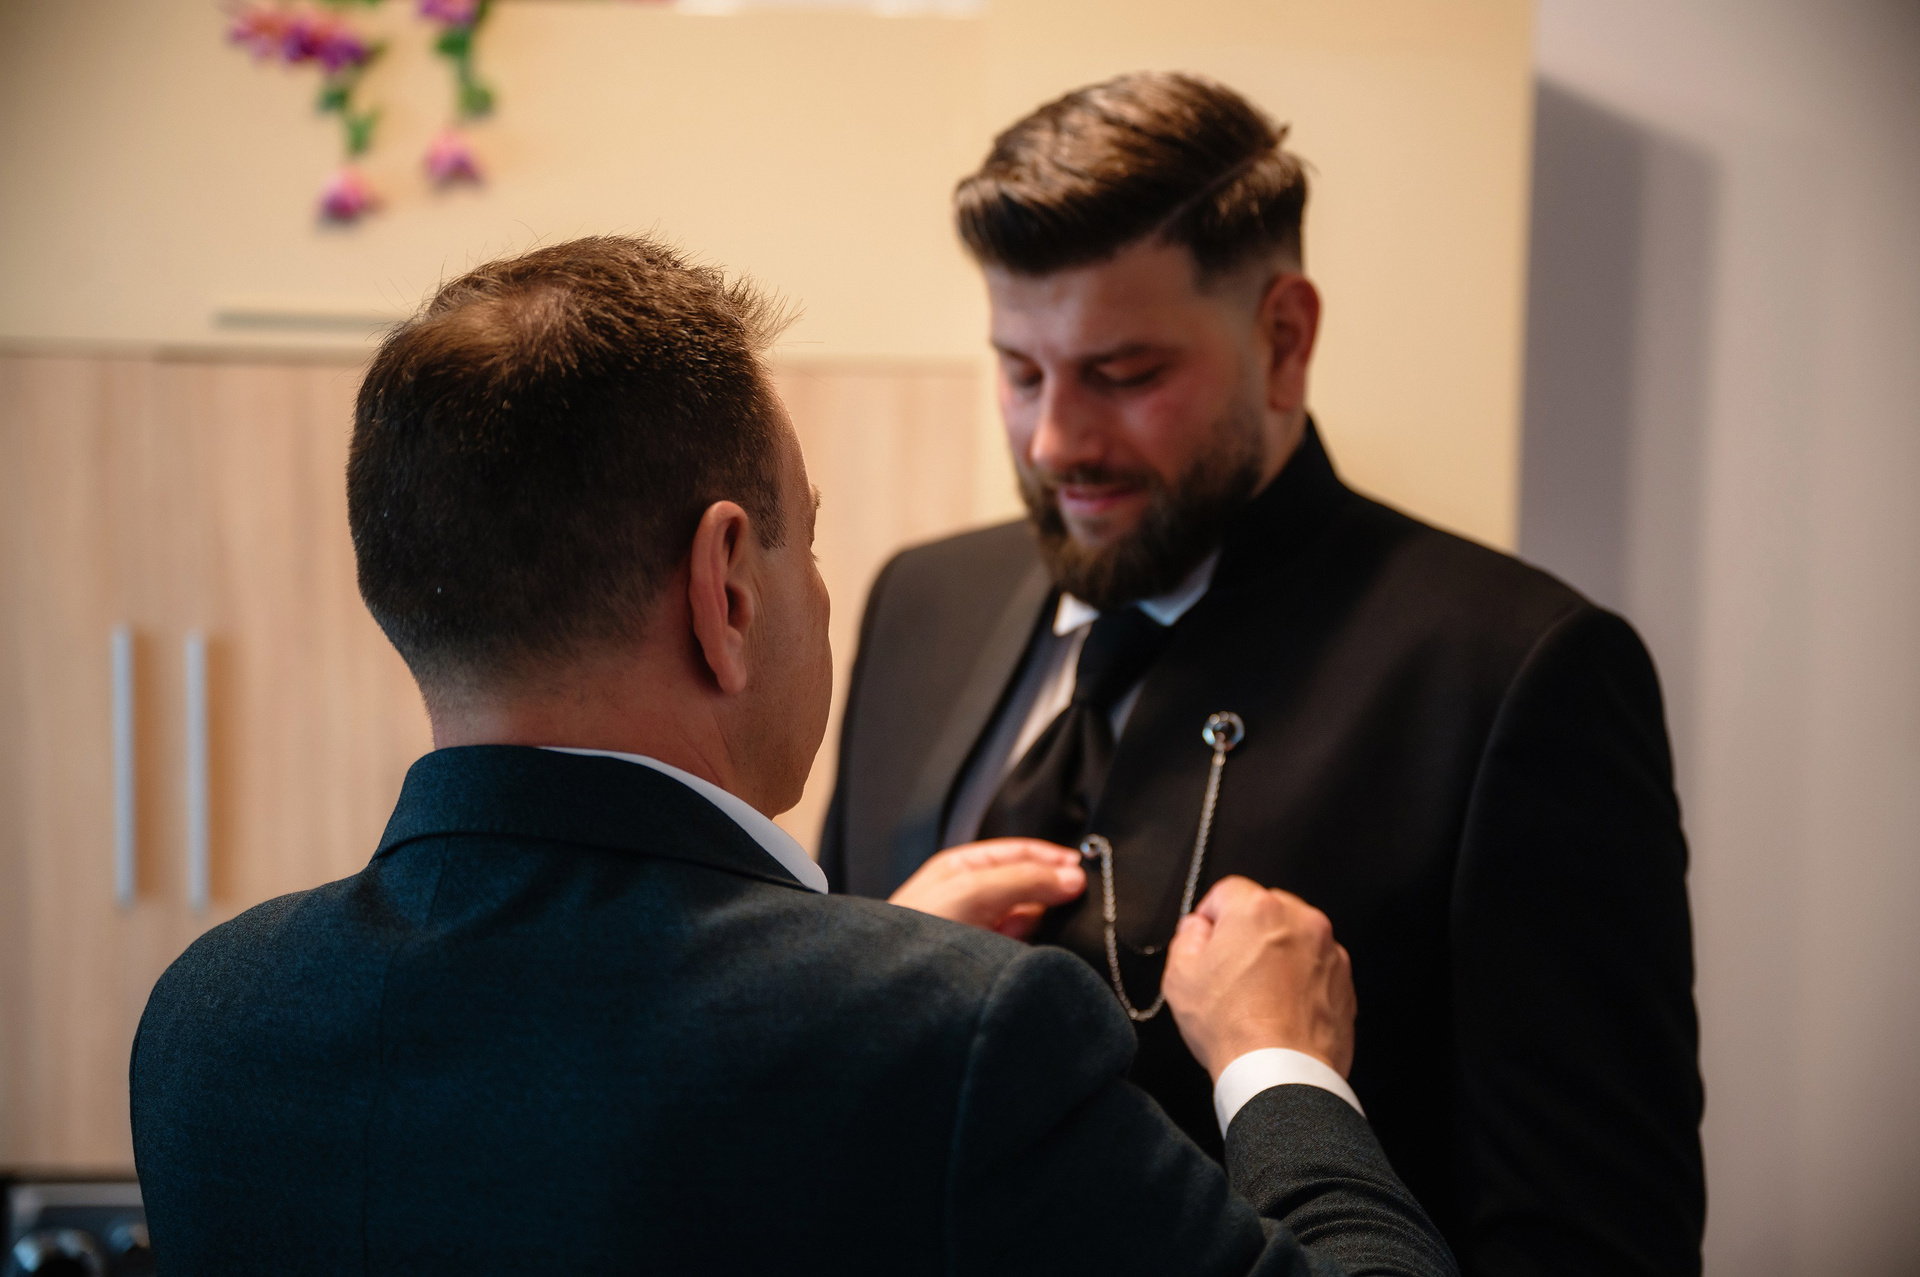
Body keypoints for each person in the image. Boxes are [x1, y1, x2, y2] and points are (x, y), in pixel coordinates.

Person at [128, 236, 1454, 1276]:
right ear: (725, 585)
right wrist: (1281, 1069)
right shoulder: (953, 1035)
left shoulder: (207, 1023)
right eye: (802, 536)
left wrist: (867, 962)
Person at [821, 72, 1705, 1277]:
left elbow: (1593, 1237)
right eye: (1021, 371)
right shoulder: (921, 599)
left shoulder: (1511, 669)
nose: (1055, 440)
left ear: (1284, 338)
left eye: (1124, 374)